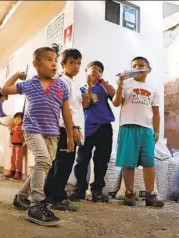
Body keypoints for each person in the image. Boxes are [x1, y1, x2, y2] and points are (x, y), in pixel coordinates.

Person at [1, 47, 75, 227]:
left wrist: (70, 136)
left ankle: (21, 197)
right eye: (49, 59)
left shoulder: (61, 86)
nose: (54, 64)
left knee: (43, 166)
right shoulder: (29, 84)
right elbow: (4, 89)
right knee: (42, 159)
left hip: (53, 134)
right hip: (32, 129)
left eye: (55, 60)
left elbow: (66, 112)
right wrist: (17, 76)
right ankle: (36, 204)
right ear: (36, 64)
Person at [112, 56, 164, 207]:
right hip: (128, 126)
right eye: (134, 66)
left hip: (146, 129)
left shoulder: (153, 89)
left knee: (149, 161)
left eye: (141, 65)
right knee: (129, 162)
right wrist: (120, 85)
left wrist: (156, 130)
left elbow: (156, 112)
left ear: (148, 69)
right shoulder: (126, 84)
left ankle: (150, 195)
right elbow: (116, 103)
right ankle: (129, 193)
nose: (137, 68)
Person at [68, 61, 116, 203]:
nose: (95, 72)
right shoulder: (81, 89)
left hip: (104, 127)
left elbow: (114, 96)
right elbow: (86, 104)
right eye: (93, 69)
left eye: (99, 70)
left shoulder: (104, 87)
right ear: (86, 70)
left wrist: (101, 81)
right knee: (82, 160)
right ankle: (79, 190)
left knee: (102, 160)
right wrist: (89, 86)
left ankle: (97, 191)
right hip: (87, 128)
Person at [43, 48, 84, 212]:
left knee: (62, 162)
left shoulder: (73, 83)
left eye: (79, 63)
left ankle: (50, 194)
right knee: (63, 164)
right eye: (72, 63)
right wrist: (71, 128)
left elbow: (74, 107)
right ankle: (56, 197)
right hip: (64, 128)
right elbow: (62, 108)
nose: (76, 66)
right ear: (63, 64)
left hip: (71, 128)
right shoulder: (62, 82)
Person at [3, 112, 25, 180]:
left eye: (18, 119)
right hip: (14, 145)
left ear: (22, 120)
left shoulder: (22, 127)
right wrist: (10, 131)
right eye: (15, 119)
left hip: (19, 145)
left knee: (18, 160)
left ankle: (18, 173)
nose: (16, 120)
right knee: (13, 159)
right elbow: (12, 135)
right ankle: (12, 172)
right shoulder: (15, 126)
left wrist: (25, 142)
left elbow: (24, 135)